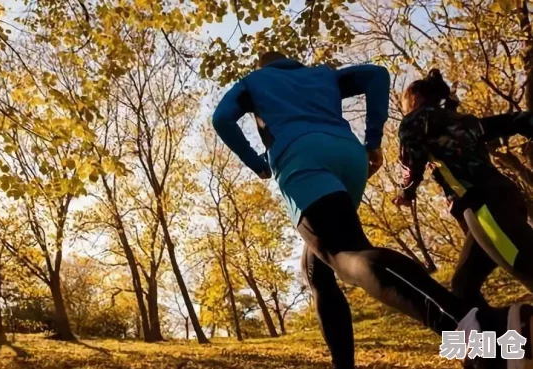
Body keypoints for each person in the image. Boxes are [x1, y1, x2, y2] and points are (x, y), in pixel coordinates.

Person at [211, 51, 531, 369]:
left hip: (302, 158)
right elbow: (376, 75)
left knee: (347, 255)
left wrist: (258, 165)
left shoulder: (254, 81)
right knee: (317, 268)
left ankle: (485, 329)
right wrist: (373, 138)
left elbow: (221, 118)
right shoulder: (321, 74)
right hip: (349, 158)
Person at [394, 69, 533, 312]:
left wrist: (406, 193)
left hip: (484, 208)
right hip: (502, 200)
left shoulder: (414, 122)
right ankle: (493, 345)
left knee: (527, 265)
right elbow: (512, 121)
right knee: (462, 287)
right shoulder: (465, 121)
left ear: (412, 100)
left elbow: (411, 163)